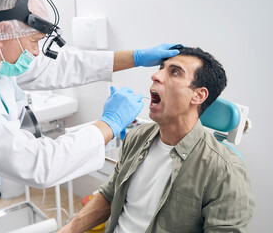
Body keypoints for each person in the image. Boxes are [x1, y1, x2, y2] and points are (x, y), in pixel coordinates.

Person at [0, 0, 180, 232]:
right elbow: (37, 163)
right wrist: (109, 124)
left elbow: (57, 65)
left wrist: (135, 58)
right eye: (34, 41)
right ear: (3, 30)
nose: (35, 51)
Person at [58, 47, 255, 233]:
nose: (155, 76)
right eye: (161, 69)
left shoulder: (225, 171)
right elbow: (111, 195)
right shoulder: (137, 137)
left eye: (175, 72)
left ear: (198, 95)